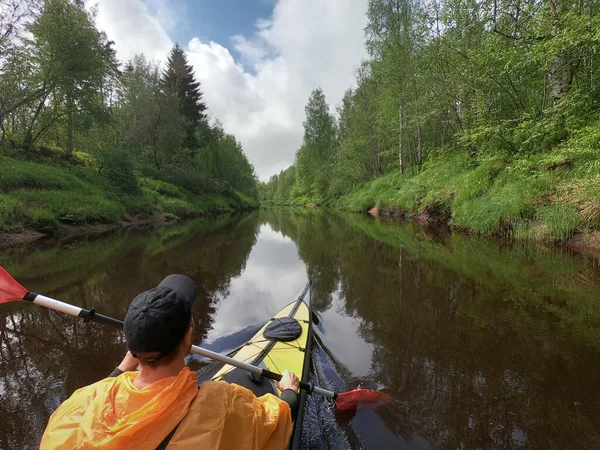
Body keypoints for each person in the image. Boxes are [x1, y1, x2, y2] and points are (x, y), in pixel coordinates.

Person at [40, 275, 300, 450]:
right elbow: (272, 420)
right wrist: (289, 392)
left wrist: (120, 370)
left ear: (132, 347)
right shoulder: (220, 403)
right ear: (187, 338)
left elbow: (98, 397)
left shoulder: (78, 404)